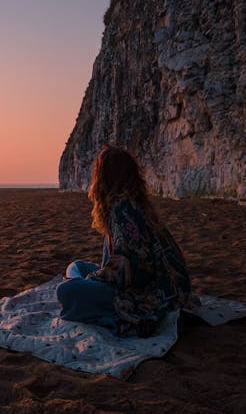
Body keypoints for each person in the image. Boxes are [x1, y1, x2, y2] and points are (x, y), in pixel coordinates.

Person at [56, 144, 192, 337]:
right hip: (169, 289)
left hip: (154, 295)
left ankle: (95, 303)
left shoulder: (123, 209)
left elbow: (134, 272)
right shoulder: (129, 204)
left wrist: (95, 279)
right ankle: (87, 291)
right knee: (75, 266)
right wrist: (99, 276)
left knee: (66, 291)